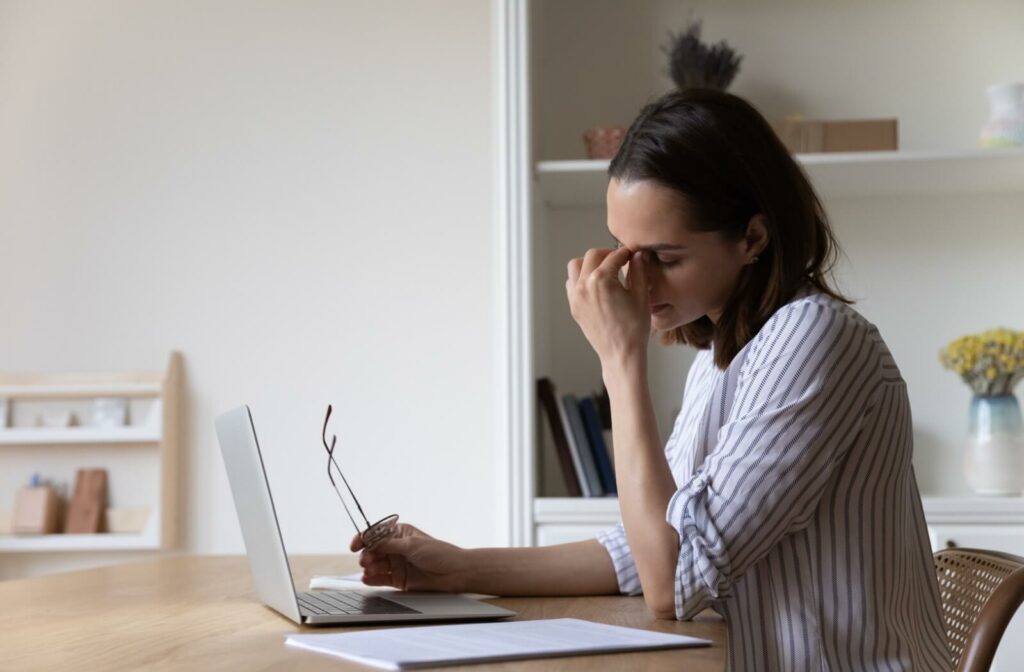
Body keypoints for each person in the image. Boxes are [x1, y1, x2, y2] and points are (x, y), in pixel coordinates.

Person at [351, 88, 951, 671]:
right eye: (621, 247)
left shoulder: (814, 336)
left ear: (753, 238)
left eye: (664, 258)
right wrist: (456, 568)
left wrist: (620, 359)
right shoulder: (720, 360)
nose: (633, 278)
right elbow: (642, 550)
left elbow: (670, 580)